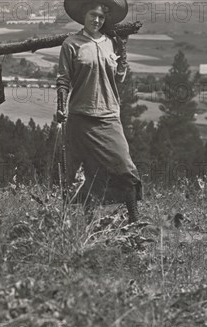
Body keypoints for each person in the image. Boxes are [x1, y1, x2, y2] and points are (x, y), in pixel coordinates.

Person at [56, 0, 143, 223]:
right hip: (80, 117)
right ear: (84, 16)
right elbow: (63, 79)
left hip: (108, 115)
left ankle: (135, 219)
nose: (97, 20)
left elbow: (120, 77)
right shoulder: (71, 44)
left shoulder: (111, 43)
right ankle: (84, 223)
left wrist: (123, 52)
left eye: (101, 17)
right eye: (93, 15)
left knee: (124, 165)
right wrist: (60, 106)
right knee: (81, 172)